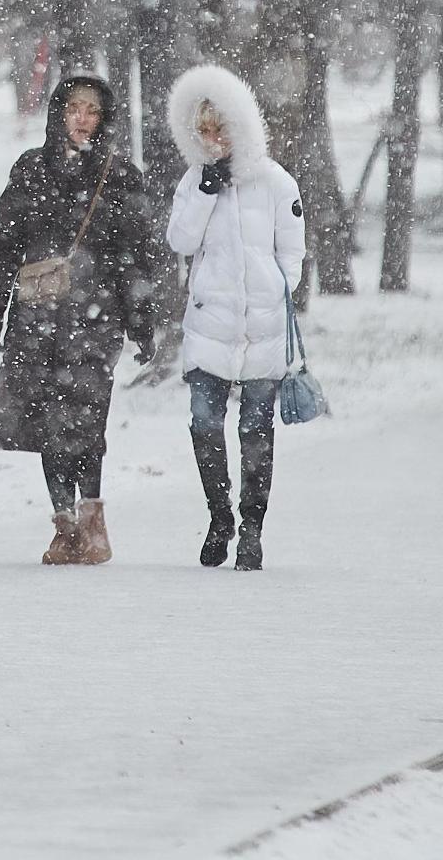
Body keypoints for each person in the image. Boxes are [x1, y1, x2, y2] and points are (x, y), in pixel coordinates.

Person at [0, 75, 163, 566]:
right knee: (43, 417)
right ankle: (62, 524)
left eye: (92, 111)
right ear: (58, 113)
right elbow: (4, 245)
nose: (81, 119)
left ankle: (92, 518)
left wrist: (143, 322)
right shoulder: (32, 170)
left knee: (84, 415)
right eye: (73, 108)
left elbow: (136, 255)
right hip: (37, 313)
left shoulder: (120, 177)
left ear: (104, 120)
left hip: (95, 318)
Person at [165, 63, 305, 572]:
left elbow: (293, 252)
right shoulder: (193, 182)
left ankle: (252, 527)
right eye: (202, 131)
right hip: (209, 327)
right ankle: (218, 515)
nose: (213, 139)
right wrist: (205, 190)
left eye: (220, 127)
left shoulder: (275, 182)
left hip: (262, 330)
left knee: (256, 432)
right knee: (205, 424)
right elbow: (179, 242)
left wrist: (273, 289)